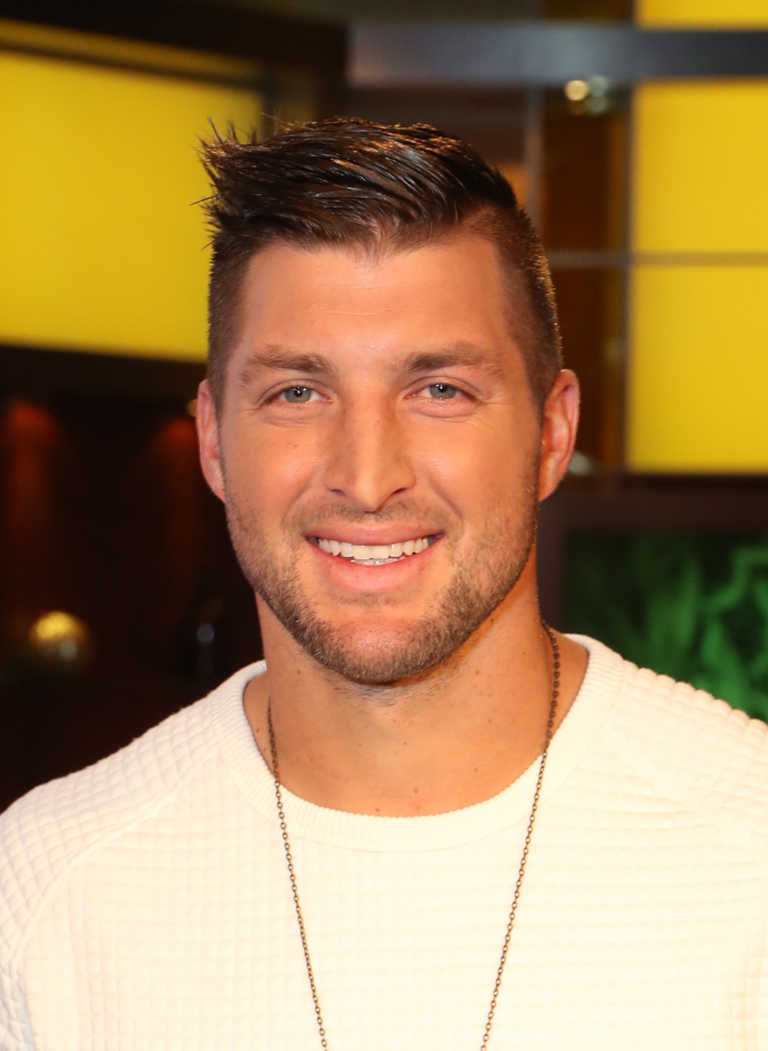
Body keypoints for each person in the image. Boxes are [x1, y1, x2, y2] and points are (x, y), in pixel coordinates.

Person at [1, 117, 766, 1051]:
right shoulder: (47, 888)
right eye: (297, 392)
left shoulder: (749, 851)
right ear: (213, 439)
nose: (367, 479)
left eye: (439, 390)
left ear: (552, 434)